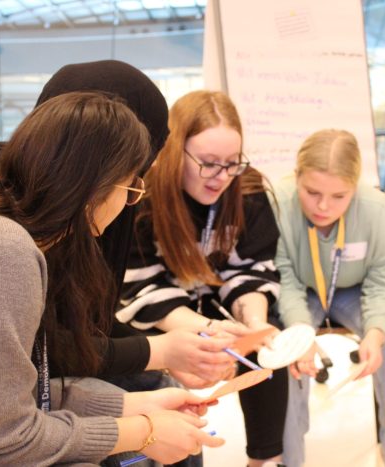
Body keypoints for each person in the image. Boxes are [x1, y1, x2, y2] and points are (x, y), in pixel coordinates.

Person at [0, 92, 224, 465]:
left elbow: (13, 391)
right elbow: (1, 440)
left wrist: (136, 406)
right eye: (131, 189)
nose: (129, 205)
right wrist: (143, 431)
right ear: (96, 186)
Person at [0, 60, 236, 386]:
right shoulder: (0, 234)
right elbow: (15, 379)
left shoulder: (31, 195)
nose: (130, 198)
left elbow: (81, 324)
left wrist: (168, 352)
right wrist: (157, 359)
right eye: (130, 181)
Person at [118, 90, 289, 467]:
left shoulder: (248, 189)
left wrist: (255, 324)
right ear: (176, 149)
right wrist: (207, 330)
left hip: (211, 299)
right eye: (208, 163)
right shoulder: (142, 197)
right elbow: (140, 290)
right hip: (154, 315)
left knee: (268, 343)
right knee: (161, 380)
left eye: (232, 163)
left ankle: (265, 459)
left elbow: (250, 271)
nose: (222, 177)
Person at [272, 129, 385, 467]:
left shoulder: (376, 209)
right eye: (311, 193)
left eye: (339, 196)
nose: (323, 206)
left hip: (354, 291)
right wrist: (300, 331)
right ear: (296, 177)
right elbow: (281, 278)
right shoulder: (277, 203)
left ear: (356, 186)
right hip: (300, 291)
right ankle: (288, 459)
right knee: (284, 341)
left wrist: (376, 333)